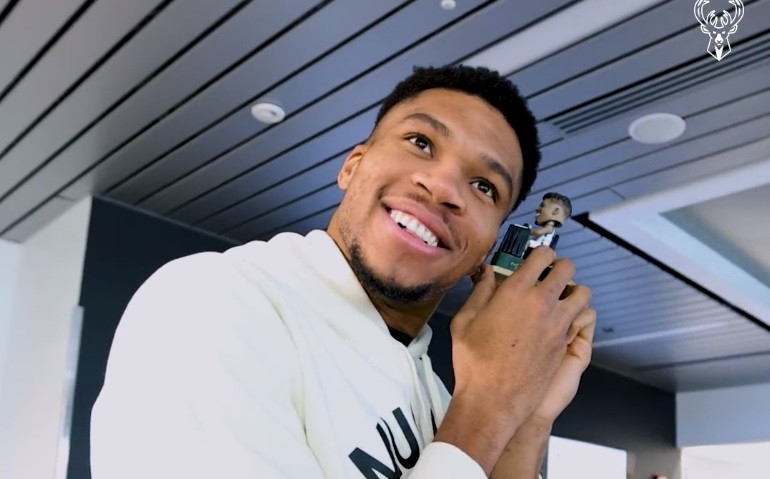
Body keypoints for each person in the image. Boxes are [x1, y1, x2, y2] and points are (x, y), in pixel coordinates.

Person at [90, 65, 596, 479]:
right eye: (420, 142)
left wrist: (526, 415)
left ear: (489, 245)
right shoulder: (208, 302)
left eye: (485, 186)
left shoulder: (444, 400)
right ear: (352, 166)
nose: (443, 187)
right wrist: (487, 408)